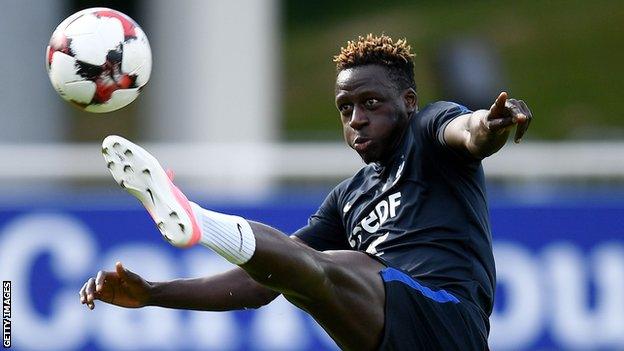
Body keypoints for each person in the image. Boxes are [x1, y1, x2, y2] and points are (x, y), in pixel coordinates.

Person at [79, 34, 532, 350]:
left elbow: (468, 132)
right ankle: (199, 222)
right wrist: (154, 293)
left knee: (334, 267)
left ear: (408, 103)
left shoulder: (428, 130)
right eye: (345, 107)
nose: (356, 118)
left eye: (370, 103)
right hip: (389, 335)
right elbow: (259, 285)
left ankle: (197, 219)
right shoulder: (348, 198)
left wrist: (488, 125)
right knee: (298, 278)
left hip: (447, 322)